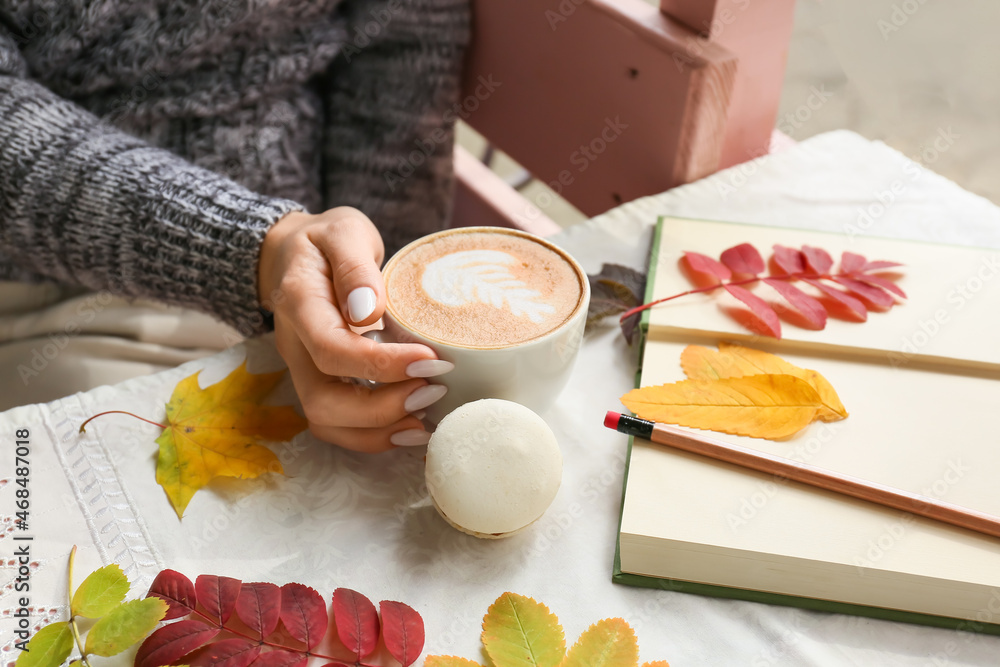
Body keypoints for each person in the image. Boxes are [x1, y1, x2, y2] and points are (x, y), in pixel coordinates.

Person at [0, 0, 470, 451]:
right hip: (57, 293)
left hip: (305, 292)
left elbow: (400, 54)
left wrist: (365, 301)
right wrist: (253, 250)